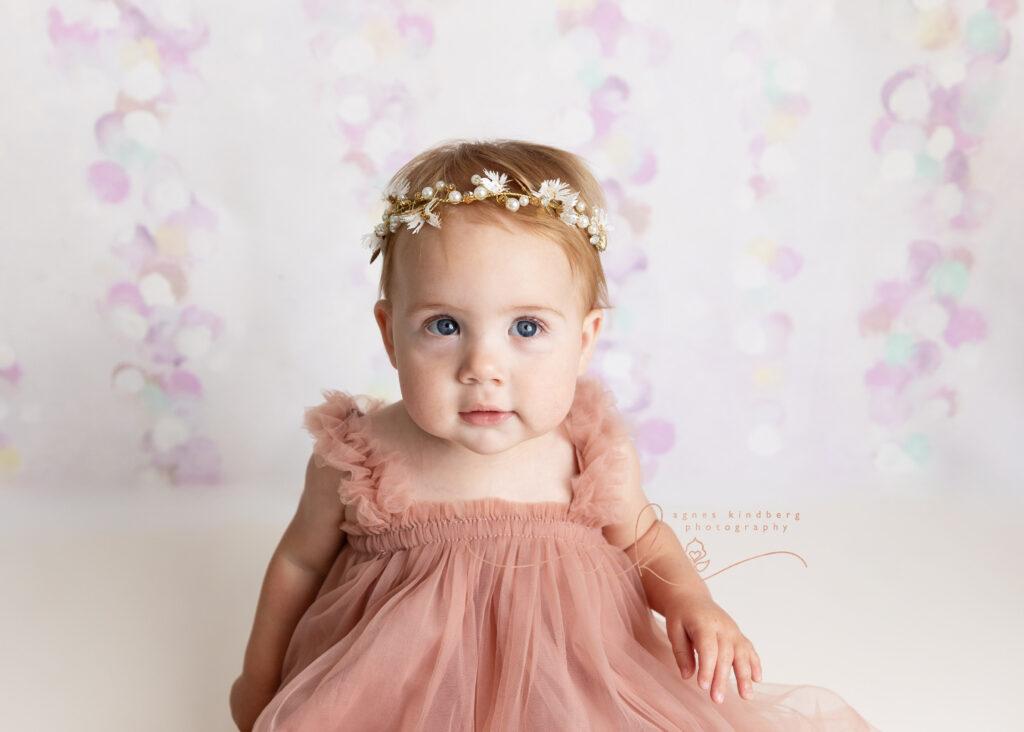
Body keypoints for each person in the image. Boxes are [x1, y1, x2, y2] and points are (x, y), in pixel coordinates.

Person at [230, 139, 881, 731]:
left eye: (527, 329)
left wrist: (693, 603)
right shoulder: (361, 457)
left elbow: (646, 538)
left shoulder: (588, 452)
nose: (483, 367)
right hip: (396, 695)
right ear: (389, 334)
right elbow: (298, 564)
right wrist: (259, 681)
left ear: (585, 339)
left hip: (569, 680)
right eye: (445, 326)